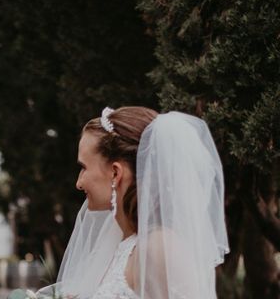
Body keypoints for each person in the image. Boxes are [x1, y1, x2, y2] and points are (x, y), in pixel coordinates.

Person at [37, 106, 229, 299]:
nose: (79, 183)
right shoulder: (121, 242)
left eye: (83, 168)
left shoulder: (161, 247)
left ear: (115, 173)